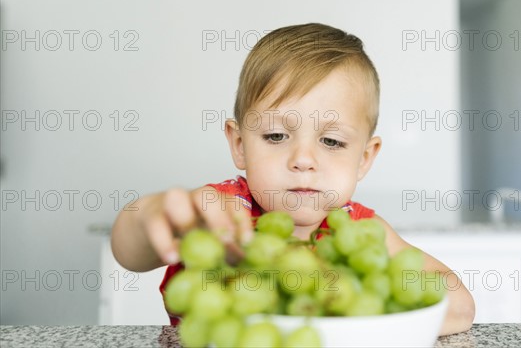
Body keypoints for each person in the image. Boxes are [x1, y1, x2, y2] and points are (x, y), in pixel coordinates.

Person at [111, 23, 475, 335]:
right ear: (239, 145)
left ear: (364, 158)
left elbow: (459, 305)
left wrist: (350, 315)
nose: (303, 160)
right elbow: (129, 250)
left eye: (332, 141)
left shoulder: (360, 230)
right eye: (275, 136)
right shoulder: (220, 212)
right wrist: (150, 215)